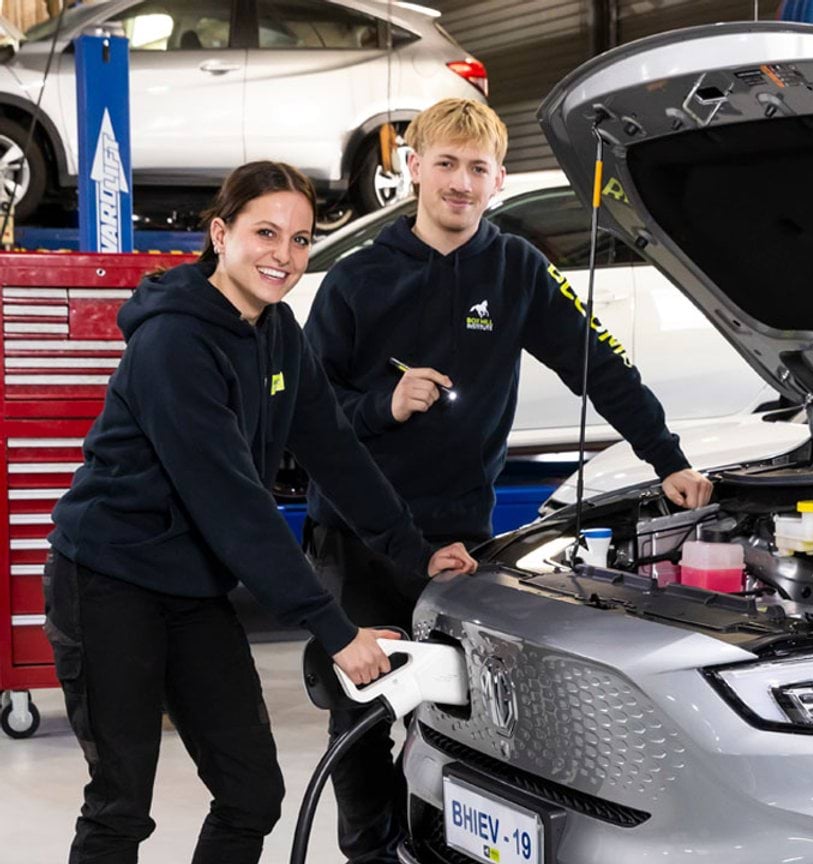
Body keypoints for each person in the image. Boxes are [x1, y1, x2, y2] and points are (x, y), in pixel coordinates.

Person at [303, 97, 713, 862]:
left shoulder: (517, 269)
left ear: (496, 181)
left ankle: (432, 843)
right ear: (414, 166)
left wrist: (670, 459)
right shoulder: (355, 281)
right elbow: (305, 416)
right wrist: (380, 405)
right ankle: (370, 853)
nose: (461, 182)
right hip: (355, 540)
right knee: (358, 718)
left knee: (466, 716)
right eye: (447, 163)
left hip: (461, 537)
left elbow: (603, 369)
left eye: (478, 168)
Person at [43, 160, 477, 864]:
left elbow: (333, 449)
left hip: (190, 589)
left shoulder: (278, 331)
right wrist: (334, 628)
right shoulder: (173, 343)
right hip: (108, 582)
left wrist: (415, 549)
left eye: (301, 240)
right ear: (221, 233)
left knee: (252, 793)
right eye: (265, 233)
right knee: (120, 806)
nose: (284, 255)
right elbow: (232, 503)